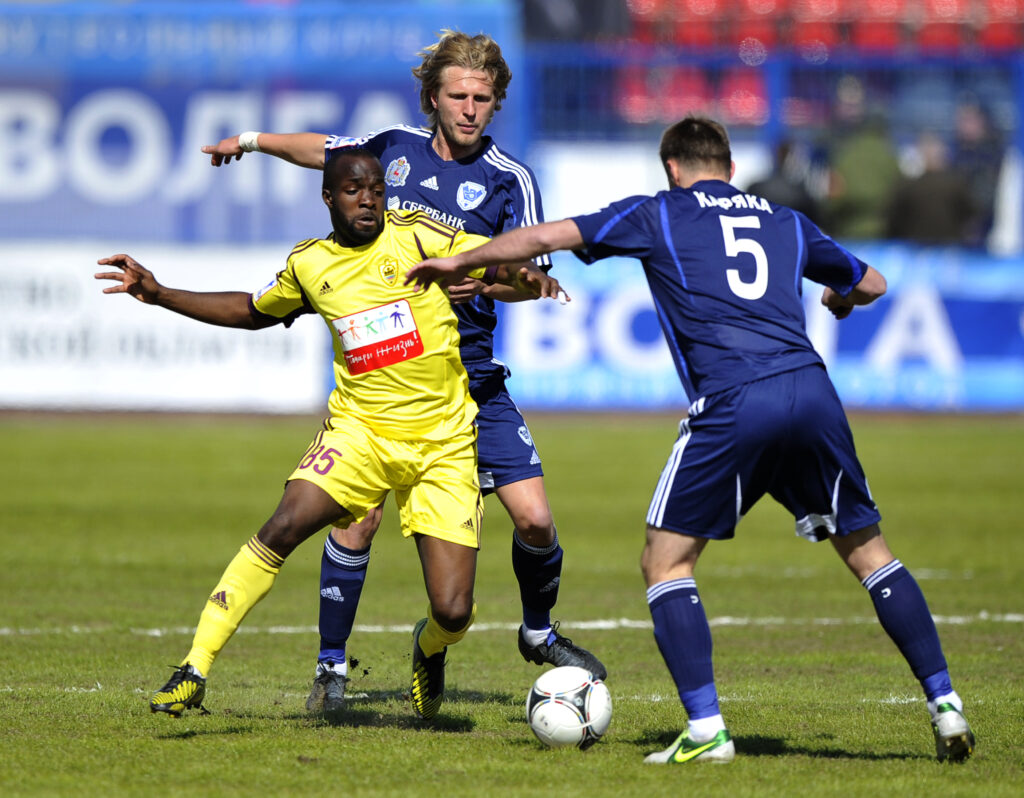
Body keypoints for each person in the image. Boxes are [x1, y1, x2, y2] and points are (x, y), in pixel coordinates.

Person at [404, 116, 976, 765]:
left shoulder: (661, 212)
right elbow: (871, 282)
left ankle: (706, 731)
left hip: (735, 400)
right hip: (813, 393)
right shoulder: (785, 218)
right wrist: (841, 298)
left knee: (665, 563)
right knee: (871, 554)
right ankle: (946, 704)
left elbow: (549, 234)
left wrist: (463, 256)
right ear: (730, 168)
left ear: (671, 167)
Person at [201, 29, 605, 713]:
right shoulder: (392, 149)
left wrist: (485, 284)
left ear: (496, 102)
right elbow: (324, 151)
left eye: (482, 98)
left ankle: (535, 632)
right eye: (458, 96)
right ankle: (331, 668)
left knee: (535, 521)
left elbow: (534, 275)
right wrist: (250, 141)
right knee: (354, 523)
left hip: (471, 380)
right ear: (433, 98)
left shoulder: (511, 180)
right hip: (388, 385)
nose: (470, 109)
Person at [95, 149, 563, 721]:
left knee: (454, 610)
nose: (367, 200)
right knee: (283, 525)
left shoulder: (424, 240)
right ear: (328, 198)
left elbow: (496, 268)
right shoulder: (310, 265)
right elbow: (252, 310)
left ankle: (429, 646)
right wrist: (160, 292)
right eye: (353, 190)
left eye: (375, 190)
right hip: (358, 435)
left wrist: (525, 278)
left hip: (441, 444)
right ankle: (193, 669)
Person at [885, 131, 975, 245]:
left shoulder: (909, 185)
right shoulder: (956, 183)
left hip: (914, 249)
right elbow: (969, 215)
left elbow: (894, 218)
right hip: (948, 247)